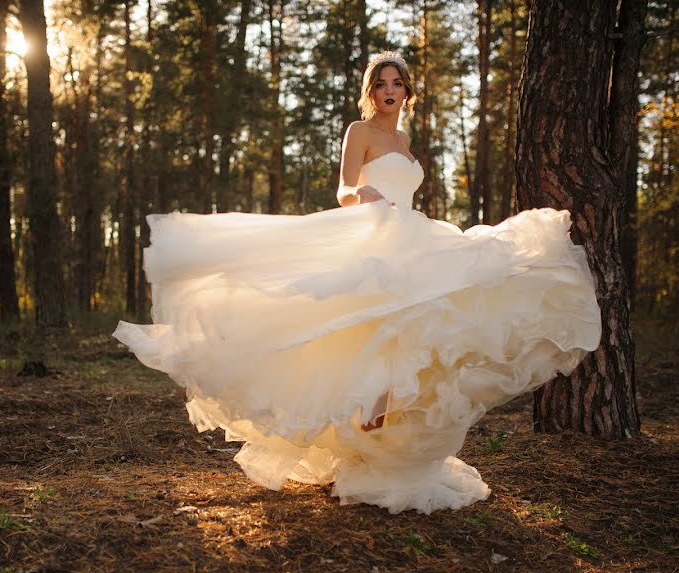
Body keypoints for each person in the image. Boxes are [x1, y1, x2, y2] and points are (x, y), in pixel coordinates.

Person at [113, 50, 601, 515]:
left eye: (397, 84)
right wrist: (361, 192)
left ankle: (383, 439)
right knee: (373, 332)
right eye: (381, 84)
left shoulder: (406, 143)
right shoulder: (359, 130)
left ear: (408, 92)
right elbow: (343, 189)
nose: (389, 90)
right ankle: (366, 429)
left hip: (411, 238)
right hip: (373, 239)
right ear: (371, 92)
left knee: (420, 333)